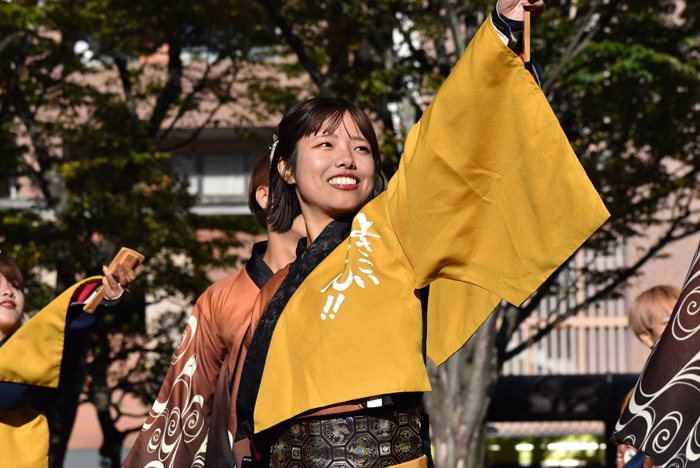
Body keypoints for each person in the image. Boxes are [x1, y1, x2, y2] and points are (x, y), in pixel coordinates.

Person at [232, 1, 610, 467]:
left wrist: (503, 27)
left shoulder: (388, 227)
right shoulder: (272, 287)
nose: (347, 158)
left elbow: (441, 140)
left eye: (361, 147)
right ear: (285, 168)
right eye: (325, 143)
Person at [123, 152, 306, 468]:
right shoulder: (220, 299)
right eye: (296, 181)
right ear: (265, 196)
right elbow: (185, 405)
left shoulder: (350, 283)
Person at [0, 253, 136, 467]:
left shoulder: (38, 360)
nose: (9, 291)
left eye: (16, 285)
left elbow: (64, 336)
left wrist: (101, 299)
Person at [615, 286, 679, 468]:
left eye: (686, 317)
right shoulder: (638, 400)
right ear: (647, 336)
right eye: (669, 321)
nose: (682, 325)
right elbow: (630, 462)